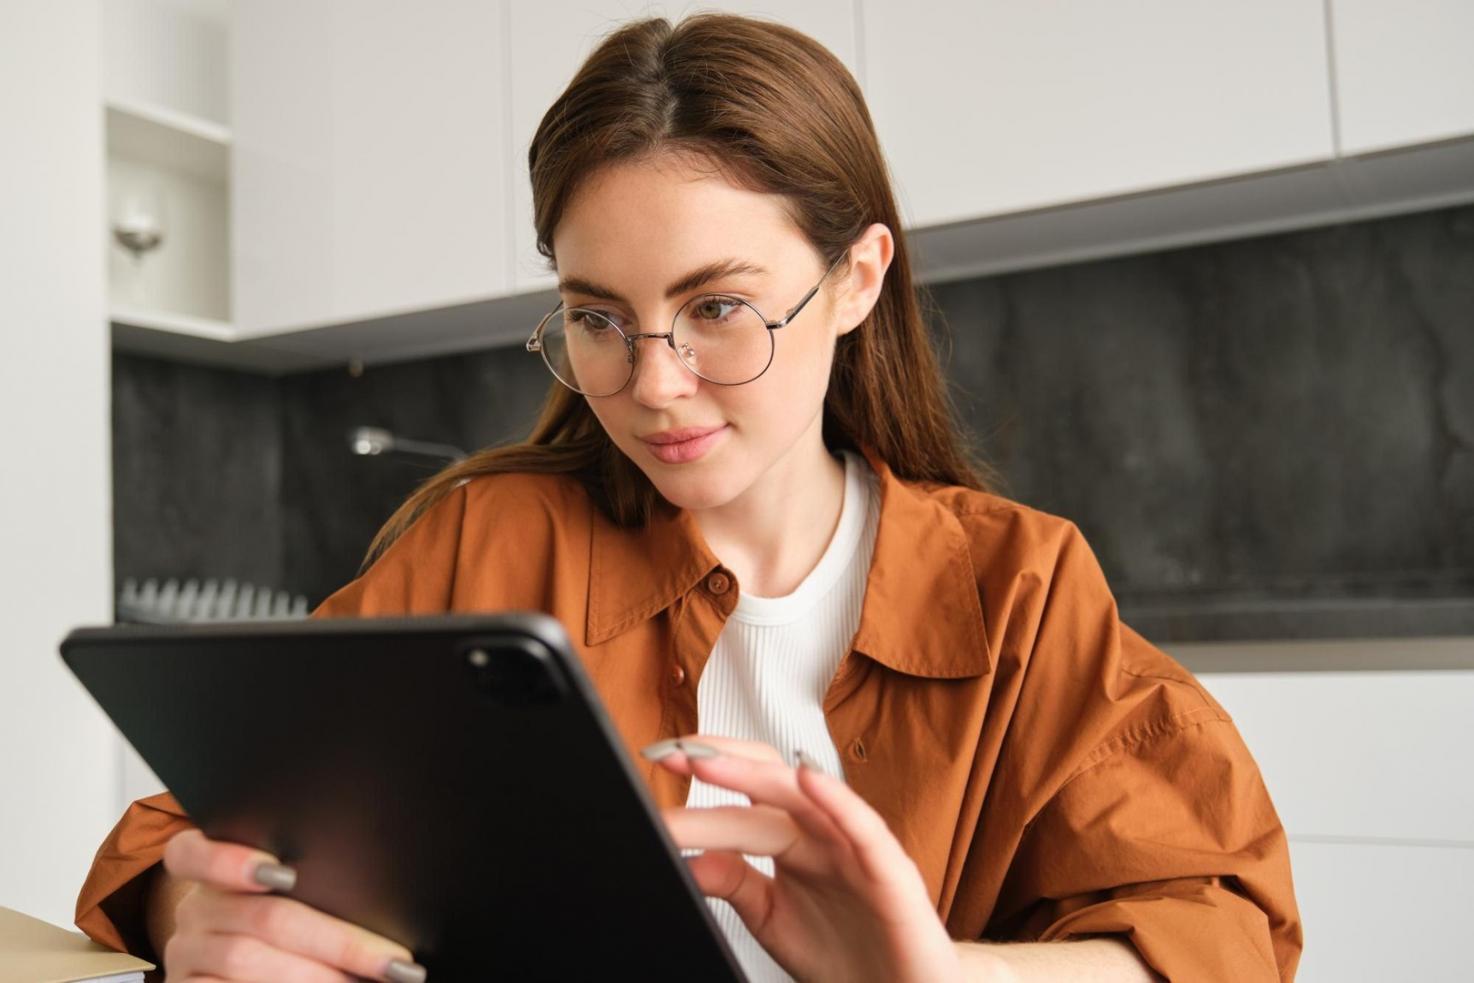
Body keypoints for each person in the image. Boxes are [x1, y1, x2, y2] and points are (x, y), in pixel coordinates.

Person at [74, 13, 1302, 982]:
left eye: (717, 307)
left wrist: (933, 971)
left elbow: (1215, 926)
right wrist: (206, 911)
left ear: (858, 278)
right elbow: (177, 831)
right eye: (599, 318)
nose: (653, 386)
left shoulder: (1018, 588)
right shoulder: (485, 540)